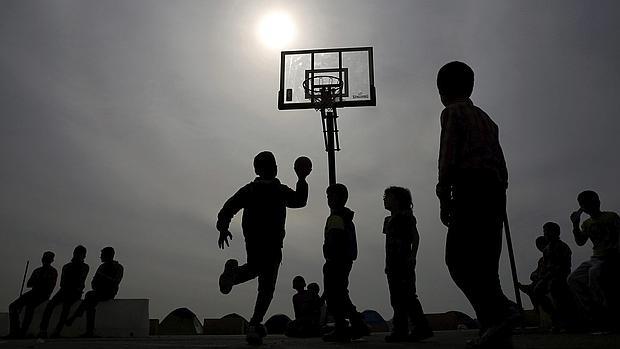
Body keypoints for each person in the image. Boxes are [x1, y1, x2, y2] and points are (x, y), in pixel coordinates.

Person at [435, 61, 518, 348]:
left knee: (458, 260)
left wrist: (444, 195)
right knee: (486, 262)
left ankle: (500, 312)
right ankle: (495, 329)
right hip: (494, 190)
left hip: (470, 188)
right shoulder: (487, 119)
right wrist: (501, 192)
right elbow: (502, 163)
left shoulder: (451, 113)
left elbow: (448, 158)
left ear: (442, 90)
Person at [216, 151, 310, 345]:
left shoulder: (249, 190)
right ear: (274, 169)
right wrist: (301, 178)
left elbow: (229, 207)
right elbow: (300, 201)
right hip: (273, 242)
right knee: (267, 285)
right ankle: (254, 324)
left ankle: (234, 276)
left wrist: (223, 227)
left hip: (253, 239)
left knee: (254, 268)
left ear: (257, 170)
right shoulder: (279, 190)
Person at [382, 186, 433, 342]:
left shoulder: (406, 217)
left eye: (388, 197)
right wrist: (387, 264)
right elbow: (388, 244)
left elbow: (415, 237)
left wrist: (413, 256)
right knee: (396, 298)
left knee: (408, 296)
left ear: (398, 200)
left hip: (403, 261)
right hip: (392, 263)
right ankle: (401, 330)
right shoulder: (387, 220)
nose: (384, 199)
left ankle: (421, 328)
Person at [321, 183, 369, 342]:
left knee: (334, 295)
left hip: (336, 261)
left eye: (330, 196)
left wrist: (330, 258)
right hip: (344, 260)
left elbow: (334, 240)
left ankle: (343, 327)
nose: (328, 199)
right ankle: (356, 324)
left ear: (338, 198)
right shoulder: (345, 217)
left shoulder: (337, 217)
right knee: (340, 293)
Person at [568, 190, 620, 331]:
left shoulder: (611, 217)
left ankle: (606, 314)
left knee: (594, 274)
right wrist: (575, 225)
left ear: (597, 202)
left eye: (588, 203)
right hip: (596, 258)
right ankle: (592, 314)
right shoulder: (587, 223)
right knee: (573, 279)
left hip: (611, 256)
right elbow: (580, 242)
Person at [65, 247, 124, 337]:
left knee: (89, 297)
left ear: (108, 255)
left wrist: (103, 278)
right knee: (90, 302)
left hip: (109, 292)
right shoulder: (102, 267)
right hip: (98, 292)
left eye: (102, 255)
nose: (100, 257)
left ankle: (76, 316)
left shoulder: (118, 267)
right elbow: (94, 281)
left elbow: (116, 281)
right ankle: (88, 329)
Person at [38, 245, 89, 338]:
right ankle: (43, 330)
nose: (77, 256)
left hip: (74, 292)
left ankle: (57, 331)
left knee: (66, 307)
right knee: (50, 305)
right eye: (76, 253)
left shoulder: (84, 267)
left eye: (79, 254)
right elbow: (63, 282)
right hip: (64, 290)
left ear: (83, 256)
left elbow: (80, 281)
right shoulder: (67, 267)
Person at [7, 251, 58, 338]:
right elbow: (29, 283)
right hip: (32, 293)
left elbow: (49, 287)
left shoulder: (53, 271)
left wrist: (39, 283)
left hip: (43, 295)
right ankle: (14, 331)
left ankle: (23, 332)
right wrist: (39, 282)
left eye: (48, 259)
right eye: (44, 258)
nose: (45, 260)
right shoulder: (37, 271)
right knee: (12, 306)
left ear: (51, 260)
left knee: (29, 307)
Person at [517, 236, 549, 312]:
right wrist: (535, 275)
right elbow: (536, 272)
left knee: (535, 288)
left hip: (550, 279)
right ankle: (537, 308)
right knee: (532, 288)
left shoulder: (553, 254)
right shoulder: (542, 260)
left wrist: (540, 275)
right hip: (541, 280)